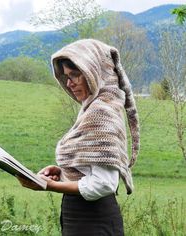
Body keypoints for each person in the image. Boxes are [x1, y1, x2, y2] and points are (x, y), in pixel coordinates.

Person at [17, 39, 140, 236]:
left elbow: (104, 183)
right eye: (66, 76)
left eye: (75, 75)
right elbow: (92, 168)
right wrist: (65, 171)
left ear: (94, 73)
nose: (69, 83)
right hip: (83, 219)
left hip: (93, 223)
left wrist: (51, 185)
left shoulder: (101, 112)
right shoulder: (92, 108)